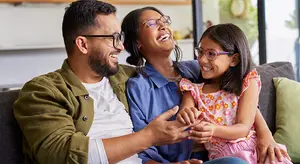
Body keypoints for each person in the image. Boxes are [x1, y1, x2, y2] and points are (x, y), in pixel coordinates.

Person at [13, 1, 202, 164]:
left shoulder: (127, 78)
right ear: (83, 44)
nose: (120, 47)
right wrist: (149, 137)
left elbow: (180, 73)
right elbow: (61, 154)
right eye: (113, 38)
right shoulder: (43, 91)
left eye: (120, 37)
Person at [122, 6, 291, 164]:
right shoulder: (139, 87)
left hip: (230, 151)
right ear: (137, 42)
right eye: (151, 23)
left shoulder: (198, 68)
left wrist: (265, 134)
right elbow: (141, 149)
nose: (163, 26)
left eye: (164, 20)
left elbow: (240, 96)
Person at [176, 23, 292, 164]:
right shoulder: (193, 90)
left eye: (211, 54)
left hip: (256, 149)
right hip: (226, 158)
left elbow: (243, 128)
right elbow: (186, 109)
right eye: (200, 52)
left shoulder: (247, 83)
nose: (201, 59)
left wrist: (213, 129)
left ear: (234, 59)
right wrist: (186, 114)